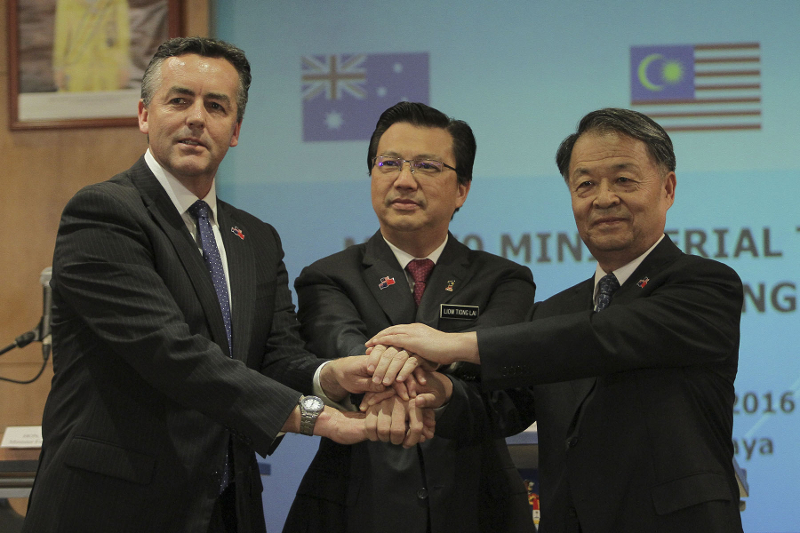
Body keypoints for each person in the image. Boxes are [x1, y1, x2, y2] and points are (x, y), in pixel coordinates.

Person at [23, 37, 410, 533]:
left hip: (226, 505)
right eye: (179, 100)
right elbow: (170, 351)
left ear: (235, 130)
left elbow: (276, 356)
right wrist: (315, 417)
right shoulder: (104, 214)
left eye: (216, 106)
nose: (196, 118)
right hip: (114, 506)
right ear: (145, 114)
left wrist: (333, 377)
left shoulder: (256, 238)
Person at [368, 108, 745, 533]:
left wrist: (456, 343)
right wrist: (434, 391)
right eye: (585, 184)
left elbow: (603, 337)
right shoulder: (554, 311)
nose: (603, 198)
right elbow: (504, 410)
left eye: (623, 180)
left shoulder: (705, 285)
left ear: (668, 188)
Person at [282, 102, 537, 533]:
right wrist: (415, 370)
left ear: (462, 190)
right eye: (389, 164)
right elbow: (341, 345)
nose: (404, 180)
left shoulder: (505, 280)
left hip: (478, 507)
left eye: (426, 166)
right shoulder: (327, 276)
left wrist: (442, 392)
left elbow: (511, 398)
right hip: (354, 507)